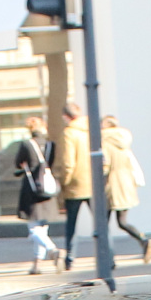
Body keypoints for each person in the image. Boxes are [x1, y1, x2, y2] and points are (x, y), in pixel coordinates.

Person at [6, 113, 62, 274]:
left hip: (32, 189)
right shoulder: (51, 145)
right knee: (42, 227)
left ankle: (53, 250)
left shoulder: (26, 145)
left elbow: (19, 164)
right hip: (48, 187)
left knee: (33, 228)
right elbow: (50, 163)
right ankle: (36, 265)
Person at [98, 116, 151, 263]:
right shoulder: (123, 141)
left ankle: (108, 258)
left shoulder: (105, 141)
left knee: (103, 223)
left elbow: (105, 165)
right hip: (126, 183)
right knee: (122, 221)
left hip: (111, 184)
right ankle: (143, 240)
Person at [55, 100, 93, 269]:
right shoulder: (90, 130)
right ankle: (110, 256)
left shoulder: (69, 133)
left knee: (71, 223)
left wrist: (64, 181)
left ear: (66, 116)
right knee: (100, 222)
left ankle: (70, 258)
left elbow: (68, 162)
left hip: (75, 184)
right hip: (92, 183)